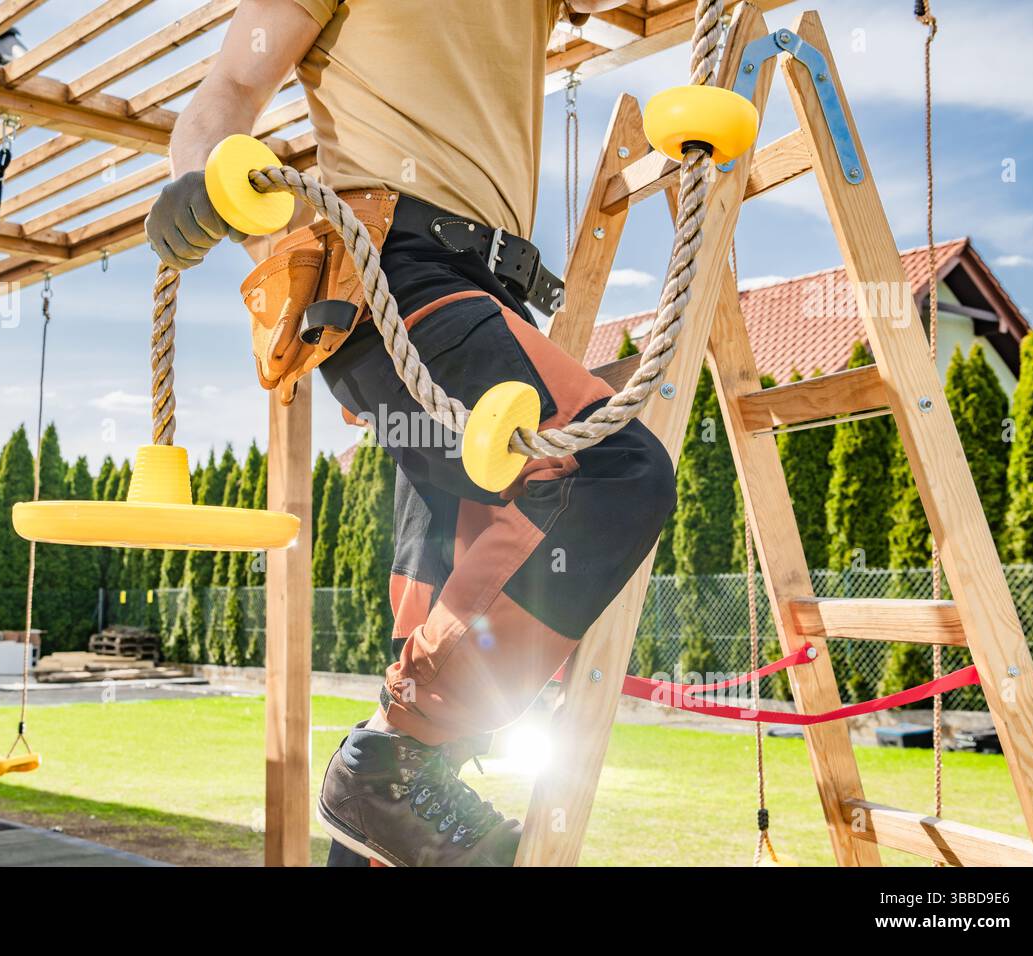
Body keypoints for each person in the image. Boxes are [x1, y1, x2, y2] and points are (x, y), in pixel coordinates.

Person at [146, 0, 676, 867]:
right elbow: (234, 82)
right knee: (613, 475)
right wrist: (196, 172)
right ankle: (389, 760)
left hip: (482, 288)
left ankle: (390, 786)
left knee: (450, 600)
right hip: (392, 267)